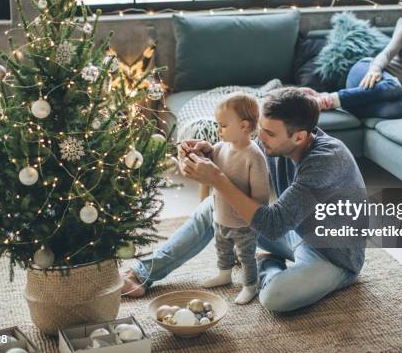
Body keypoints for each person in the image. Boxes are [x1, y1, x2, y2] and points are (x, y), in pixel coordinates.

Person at [122, 88, 367, 312]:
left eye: (269, 133)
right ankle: (143, 273)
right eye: (260, 127)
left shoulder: (327, 160)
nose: (260, 136)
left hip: (333, 255)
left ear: (300, 137)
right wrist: (210, 151)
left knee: (274, 298)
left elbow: (273, 225)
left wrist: (217, 179)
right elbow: (243, 152)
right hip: (295, 231)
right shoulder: (276, 143)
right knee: (213, 206)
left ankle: (268, 263)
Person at [200, 93, 269, 304]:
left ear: (244, 126)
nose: (218, 130)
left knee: (246, 256)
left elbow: (261, 199)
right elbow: (203, 168)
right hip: (220, 216)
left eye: (222, 125)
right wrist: (195, 150)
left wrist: (252, 219)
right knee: (222, 248)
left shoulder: (254, 156)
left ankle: (250, 285)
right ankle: (224, 273)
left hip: (243, 223)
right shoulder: (220, 148)